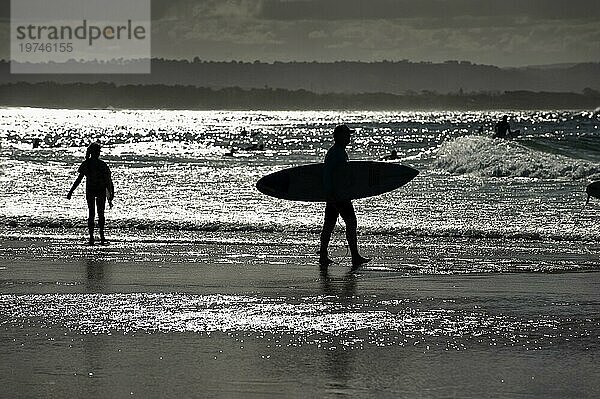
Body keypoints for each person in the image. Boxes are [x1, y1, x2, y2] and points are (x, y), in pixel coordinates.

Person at [319, 125, 370, 269]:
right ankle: (355, 257)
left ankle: (323, 256)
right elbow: (327, 175)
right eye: (347, 135)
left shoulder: (339, 151)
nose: (349, 137)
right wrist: (331, 194)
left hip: (337, 194)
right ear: (339, 136)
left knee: (329, 225)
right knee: (351, 222)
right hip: (338, 195)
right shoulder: (335, 153)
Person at [67, 143, 114, 245]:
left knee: (94, 214)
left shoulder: (87, 164)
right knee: (98, 214)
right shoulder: (101, 164)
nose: (98, 153)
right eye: (98, 151)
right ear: (95, 152)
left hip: (94, 190)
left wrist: (110, 195)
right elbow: (108, 181)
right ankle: (98, 237)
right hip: (97, 191)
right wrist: (110, 194)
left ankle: (95, 237)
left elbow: (108, 181)